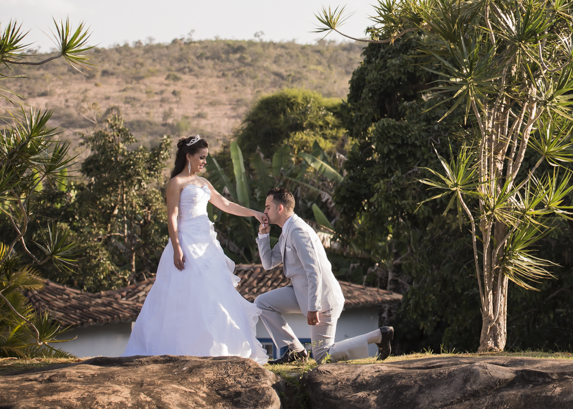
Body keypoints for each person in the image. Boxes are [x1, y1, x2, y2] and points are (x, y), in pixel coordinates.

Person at [124, 135, 269, 361]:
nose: (204, 162)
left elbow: (225, 204)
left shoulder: (203, 183)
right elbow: (172, 217)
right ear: (188, 156)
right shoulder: (176, 183)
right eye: (201, 157)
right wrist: (177, 247)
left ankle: (218, 348)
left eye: (205, 158)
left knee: (214, 294)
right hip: (186, 243)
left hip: (206, 245)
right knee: (186, 294)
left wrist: (254, 213)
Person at [255, 187, 393, 363]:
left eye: (267, 207)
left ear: (280, 208)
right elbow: (268, 263)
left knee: (322, 355)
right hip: (300, 292)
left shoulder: (298, 231)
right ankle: (296, 351)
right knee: (262, 303)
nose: (265, 211)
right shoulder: (286, 232)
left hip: (323, 299)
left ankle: (379, 336)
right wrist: (263, 236)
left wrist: (314, 307)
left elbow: (314, 270)